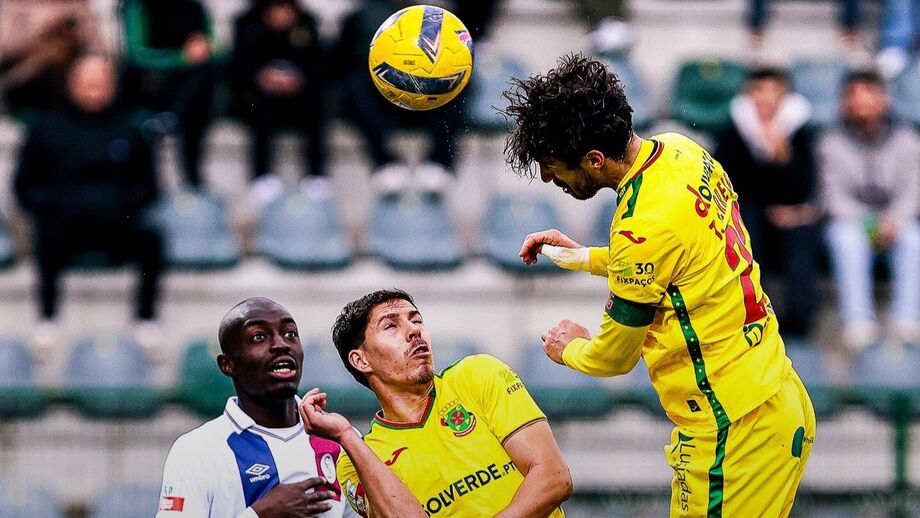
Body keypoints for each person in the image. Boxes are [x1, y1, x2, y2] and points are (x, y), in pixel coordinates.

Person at [502, 54, 815, 517]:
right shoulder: (680, 150)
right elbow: (679, 261)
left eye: (552, 166)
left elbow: (615, 356)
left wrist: (570, 348)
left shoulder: (640, 226)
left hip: (731, 430)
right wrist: (581, 256)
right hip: (778, 395)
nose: (550, 178)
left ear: (594, 159)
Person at [299, 289, 572, 517]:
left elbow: (554, 478)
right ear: (361, 360)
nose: (414, 331)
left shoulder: (478, 375)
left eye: (416, 320)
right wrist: (346, 435)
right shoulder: (354, 462)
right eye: (391, 326)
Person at [13, 53, 163, 351]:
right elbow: (25, 186)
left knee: (152, 237)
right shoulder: (46, 128)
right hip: (65, 225)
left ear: (112, 85)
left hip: (116, 225)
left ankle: (145, 319)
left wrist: (119, 204)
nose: (94, 90)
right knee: (46, 235)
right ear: (72, 84)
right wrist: (58, 205)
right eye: (87, 82)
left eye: (101, 83)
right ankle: (48, 318)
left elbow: (149, 187)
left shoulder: (130, 130)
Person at [157, 297, 359, 517]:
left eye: (290, 333)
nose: (282, 344)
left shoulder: (341, 439)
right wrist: (259, 514)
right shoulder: (196, 451)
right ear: (228, 364)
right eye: (258, 337)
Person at [714, 66, 819, 341]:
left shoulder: (799, 131)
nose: (766, 98)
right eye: (759, 90)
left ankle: (798, 323)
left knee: (801, 234)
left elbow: (805, 184)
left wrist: (785, 157)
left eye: (774, 91)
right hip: (747, 210)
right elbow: (726, 182)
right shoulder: (733, 130)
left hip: (791, 211)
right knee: (744, 228)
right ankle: (749, 314)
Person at [818, 69, 920, 349]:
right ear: (844, 103)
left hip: (896, 222)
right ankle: (858, 320)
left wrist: (893, 221)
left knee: (914, 238)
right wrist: (870, 222)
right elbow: (832, 197)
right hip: (854, 221)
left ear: (884, 99)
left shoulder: (907, 139)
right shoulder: (831, 142)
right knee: (844, 237)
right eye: (853, 96)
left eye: (868, 95)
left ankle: (907, 318)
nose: (861, 103)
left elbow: (913, 192)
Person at [330, 0, 464, 197]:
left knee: (457, 78)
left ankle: (439, 162)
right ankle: (385, 162)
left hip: (429, 101)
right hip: (382, 102)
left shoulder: (439, 21)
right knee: (356, 83)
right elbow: (338, 65)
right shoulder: (359, 18)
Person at [230, 0, 330, 205]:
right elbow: (237, 68)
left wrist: (299, 80)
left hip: (297, 100)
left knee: (316, 104)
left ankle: (316, 175)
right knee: (259, 103)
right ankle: (261, 175)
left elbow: (320, 68)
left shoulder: (307, 23)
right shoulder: (247, 23)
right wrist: (261, 78)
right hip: (258, 100)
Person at [120, 0, 216, 189]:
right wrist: (181, 58)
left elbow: (217, 50)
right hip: (150, 86)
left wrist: (205, 49)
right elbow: (136, 55)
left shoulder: (195, 7)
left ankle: (172, 117)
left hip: (187, 92)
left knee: (203, 76)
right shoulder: (136, 6)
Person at [0, 0, 100, 120]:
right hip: (24, 74)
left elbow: (98, 47)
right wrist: (43, 26)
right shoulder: (17, 5)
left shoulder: (78, 6)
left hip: (72, 73)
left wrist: (77, 30)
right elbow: (6, 47)